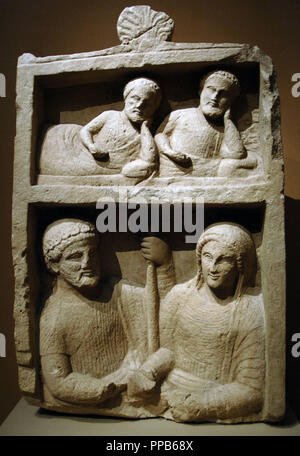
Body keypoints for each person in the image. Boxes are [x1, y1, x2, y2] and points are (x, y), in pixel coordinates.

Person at [40, 218, 175, 414]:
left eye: (92, 254)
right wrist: (114, 383)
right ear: (54, 265)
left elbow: (164, 309)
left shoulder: (118, 293)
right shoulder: (53, 318)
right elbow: (59, 383)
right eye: (75, 257)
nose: (87, 263)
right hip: (114, 392)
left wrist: (164, 265)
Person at [159, 222, 265, 422]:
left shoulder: (251, 310)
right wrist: (149, 372)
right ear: (199, 261)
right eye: (208, 257)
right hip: (167, 392)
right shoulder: (179, 296)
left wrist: (203, 405)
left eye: (224, 260)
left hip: (212, 395)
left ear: (239, 266)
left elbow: (252, 389)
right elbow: (167, 351)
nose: (213, 268)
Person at [39, 77, 162, 179]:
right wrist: (91, 146)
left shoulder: (142, 135)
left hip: (104, 167)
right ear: (126, 99)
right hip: (83, 152)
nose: (140, 106)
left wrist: (145, 127)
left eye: (148, 104)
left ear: (153, 110)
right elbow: (86, 130)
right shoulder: (110, 115)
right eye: (135, 99)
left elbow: (149, 160)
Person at [155, 70, 257, 177]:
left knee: (252, 160)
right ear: (200, 91)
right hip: (175, 170)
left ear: (231, 101)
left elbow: (236, 154)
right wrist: (168, 151)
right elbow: (160, 134)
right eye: (211, 90)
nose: (214, 97)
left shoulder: (224, 129)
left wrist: (228, 120)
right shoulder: (180, 115)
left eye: (224, 94)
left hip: (205, 173)